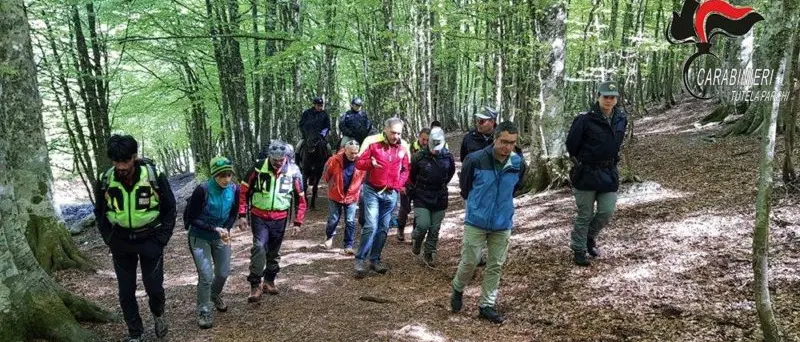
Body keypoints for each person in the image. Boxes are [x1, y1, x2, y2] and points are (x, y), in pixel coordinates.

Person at [94, 134, 176, 342]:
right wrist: (108, 238)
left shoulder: (153, 176)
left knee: (154, 288)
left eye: (125, 161)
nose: (121, 166)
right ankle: (134, 332)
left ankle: (158, 314)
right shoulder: (106, 180)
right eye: (116, 161)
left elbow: (170, 208)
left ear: (134, 157)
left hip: (150, 239)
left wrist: (162, 239)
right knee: (126, 291)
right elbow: (100, 211)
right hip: (120, 241)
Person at [450, 121, 526, 324]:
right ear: (495, 139)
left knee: (496, 265)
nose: (507, 147)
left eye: (512, 143)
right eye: (503, 142)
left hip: (503, 223)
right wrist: (477, 206)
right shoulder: (475, 160)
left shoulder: (518, 163)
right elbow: (465, 189)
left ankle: (487, 305)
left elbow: (516, 186)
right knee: (470, 261)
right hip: (476, 221)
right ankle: (458, 288)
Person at [566, 80, 627, 267]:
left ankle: (588, 237)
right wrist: (583, 161)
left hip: (608, 172)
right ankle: (578, 248)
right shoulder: (585, 119)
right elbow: (571, 145)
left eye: (612, 97)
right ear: (598, 97)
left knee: (606, 211)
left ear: (616, 99)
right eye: (605, 97)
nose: (609, 100)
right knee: (585, 213)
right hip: (586, 172)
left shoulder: (621, 118)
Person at [238, 140, 307, 301]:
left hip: (280, 217)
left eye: (281, 160)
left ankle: (269, 280)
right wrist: (242, 214)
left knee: (274, 251)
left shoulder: (294, 171)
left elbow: (301, 198)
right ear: (269, 156)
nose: (278, 163)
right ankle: (255, 284)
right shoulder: (258, 167)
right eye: (275, 160)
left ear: (286, 158)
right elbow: (244, 191)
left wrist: (298, 221)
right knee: (259, 247)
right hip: (259, 215)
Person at [185, 156, 241, 329]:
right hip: (199, 236)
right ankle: (204, 310)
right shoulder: (202, 190)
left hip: (221, 235)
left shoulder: (234, 189)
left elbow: (233, 212)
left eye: (228, 175)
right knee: (206, 276)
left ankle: (214, 295)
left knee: (223, 273)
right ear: (214, 175)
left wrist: (227, 228)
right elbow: (191, 218)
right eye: (221, 175)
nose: (225, 179)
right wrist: (213, 228)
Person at [353, 117, 410, 278]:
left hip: (390, 193)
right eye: (393, 132)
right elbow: (359, 163)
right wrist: (370, 164)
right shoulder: (372, 143)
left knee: (384, 228)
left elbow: (406, 169)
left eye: (399, 133)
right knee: (370, 225)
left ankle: (375, 259)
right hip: (372, 190)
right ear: (385, 130)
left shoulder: (403, 147)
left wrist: (398, 184)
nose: (396, 136)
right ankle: (360, 260)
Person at [408, 127, 456, 267]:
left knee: (435, 228)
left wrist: (440, 185)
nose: (435, 149)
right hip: (422, 196)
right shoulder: (419, 157)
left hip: (440, 196)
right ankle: (417, 240)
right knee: (422, 225)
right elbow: (412, 176)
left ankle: (429, 253)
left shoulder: (448, 157)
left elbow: (450, 173)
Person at [321, 140, 366, 254]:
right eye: (351, 153)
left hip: (352, 196)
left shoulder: (361, 161)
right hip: (335, 195)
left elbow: (364, 178)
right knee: (333, 219)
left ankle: (348, 245)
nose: (354, 155)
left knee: (350, 221)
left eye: (356, 153)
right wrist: (332, 185)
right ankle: (329, 236)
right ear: (345, 150)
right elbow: (326, 176)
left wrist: (359, 189)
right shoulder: (333, 160)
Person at [393, 127, 430, 241]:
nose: (425, 142)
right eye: (423, 139)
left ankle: (415, 234)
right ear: (419, 137)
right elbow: (401, 167)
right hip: (407, 183)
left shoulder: (431, 150)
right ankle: (400, 229)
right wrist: (401, 184)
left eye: (428, 140)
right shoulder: (408, 147)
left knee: (419, 209)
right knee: (405, 208)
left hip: (421, 185)